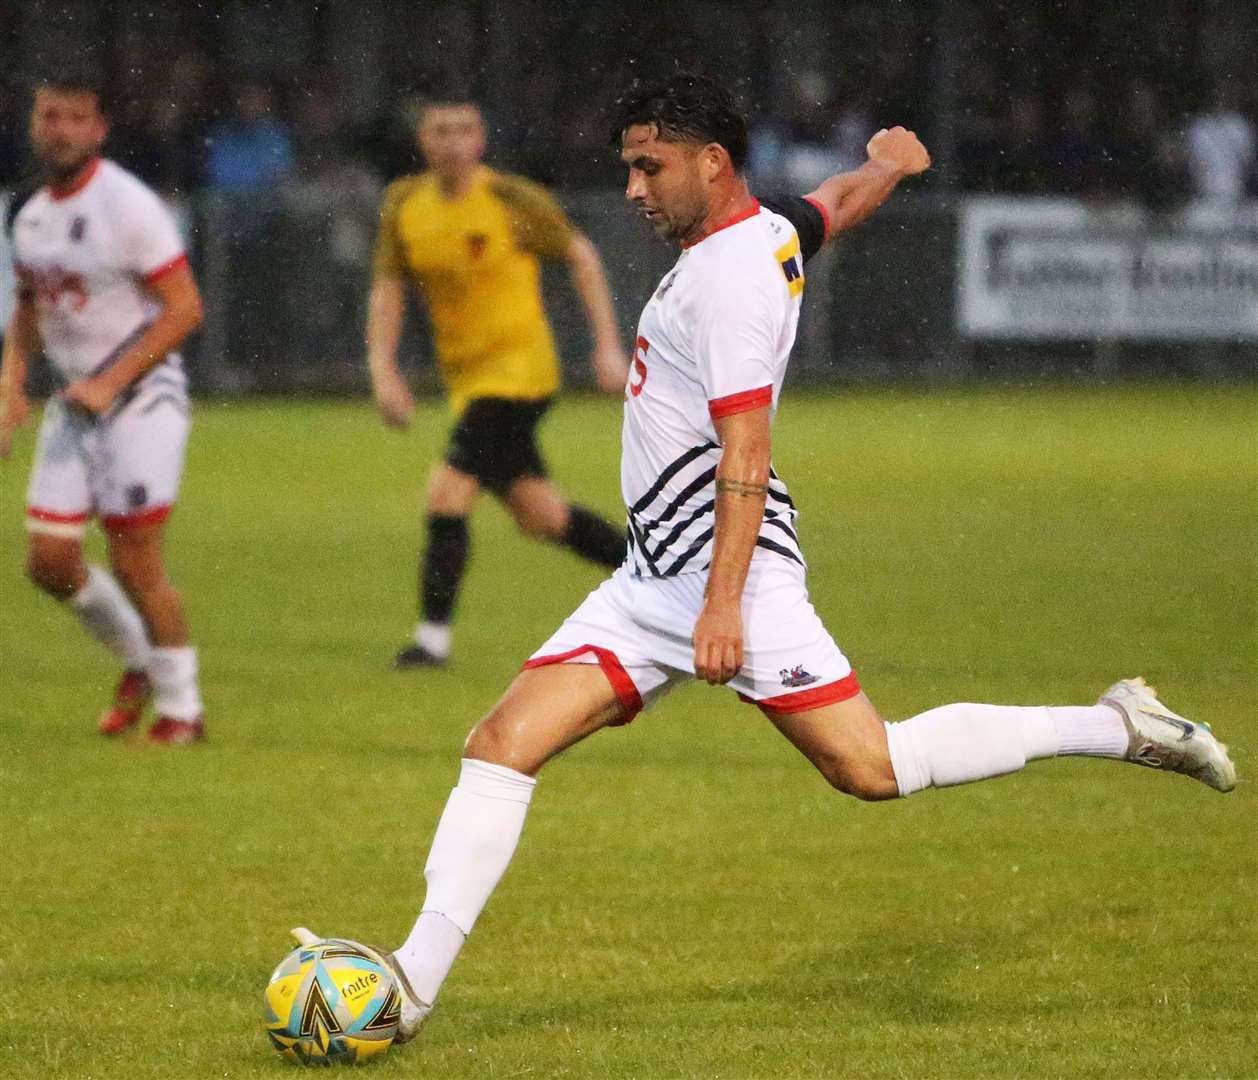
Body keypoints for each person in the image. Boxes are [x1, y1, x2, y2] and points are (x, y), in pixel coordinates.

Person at [300, 73, 1236, 1043]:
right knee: (500, 745)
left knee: (874, 767)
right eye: (627, 166)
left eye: (647, 166)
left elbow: (745, 452)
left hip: (726, 567)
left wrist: (721, 606)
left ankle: (1116, 724)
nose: (631, 189)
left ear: (711, 163)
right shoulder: (758, 233)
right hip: (651, 579)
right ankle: (408, 989)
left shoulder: (731, 283)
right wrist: (882, 166)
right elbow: (828, 207)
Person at [366, 93, 630, 668]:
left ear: (481, 140)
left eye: (465, 129)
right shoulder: (404, 204)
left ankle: (431, 642)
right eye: (441, 130)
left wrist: (607, 348)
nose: (454, 141)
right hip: (468, 380)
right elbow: (389, 288)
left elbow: (581, 257)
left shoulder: (512, 199)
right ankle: (658, 576)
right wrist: (383, 370)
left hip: (521, 373)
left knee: (448, 490)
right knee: (543, 517)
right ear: (423, 141)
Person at [0, 74, 206, 743]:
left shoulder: (127, 205)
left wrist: (110, 382)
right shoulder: (27, 210)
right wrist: (11, 383)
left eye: (74, 118)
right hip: (76, 400)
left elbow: (185, 308)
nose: (58, 128)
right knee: (49, 562)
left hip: (143, 397)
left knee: (134, 559)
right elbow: (31, 303)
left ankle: (183, 709)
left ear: (99, 129)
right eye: (48, 115)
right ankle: (138, 663)